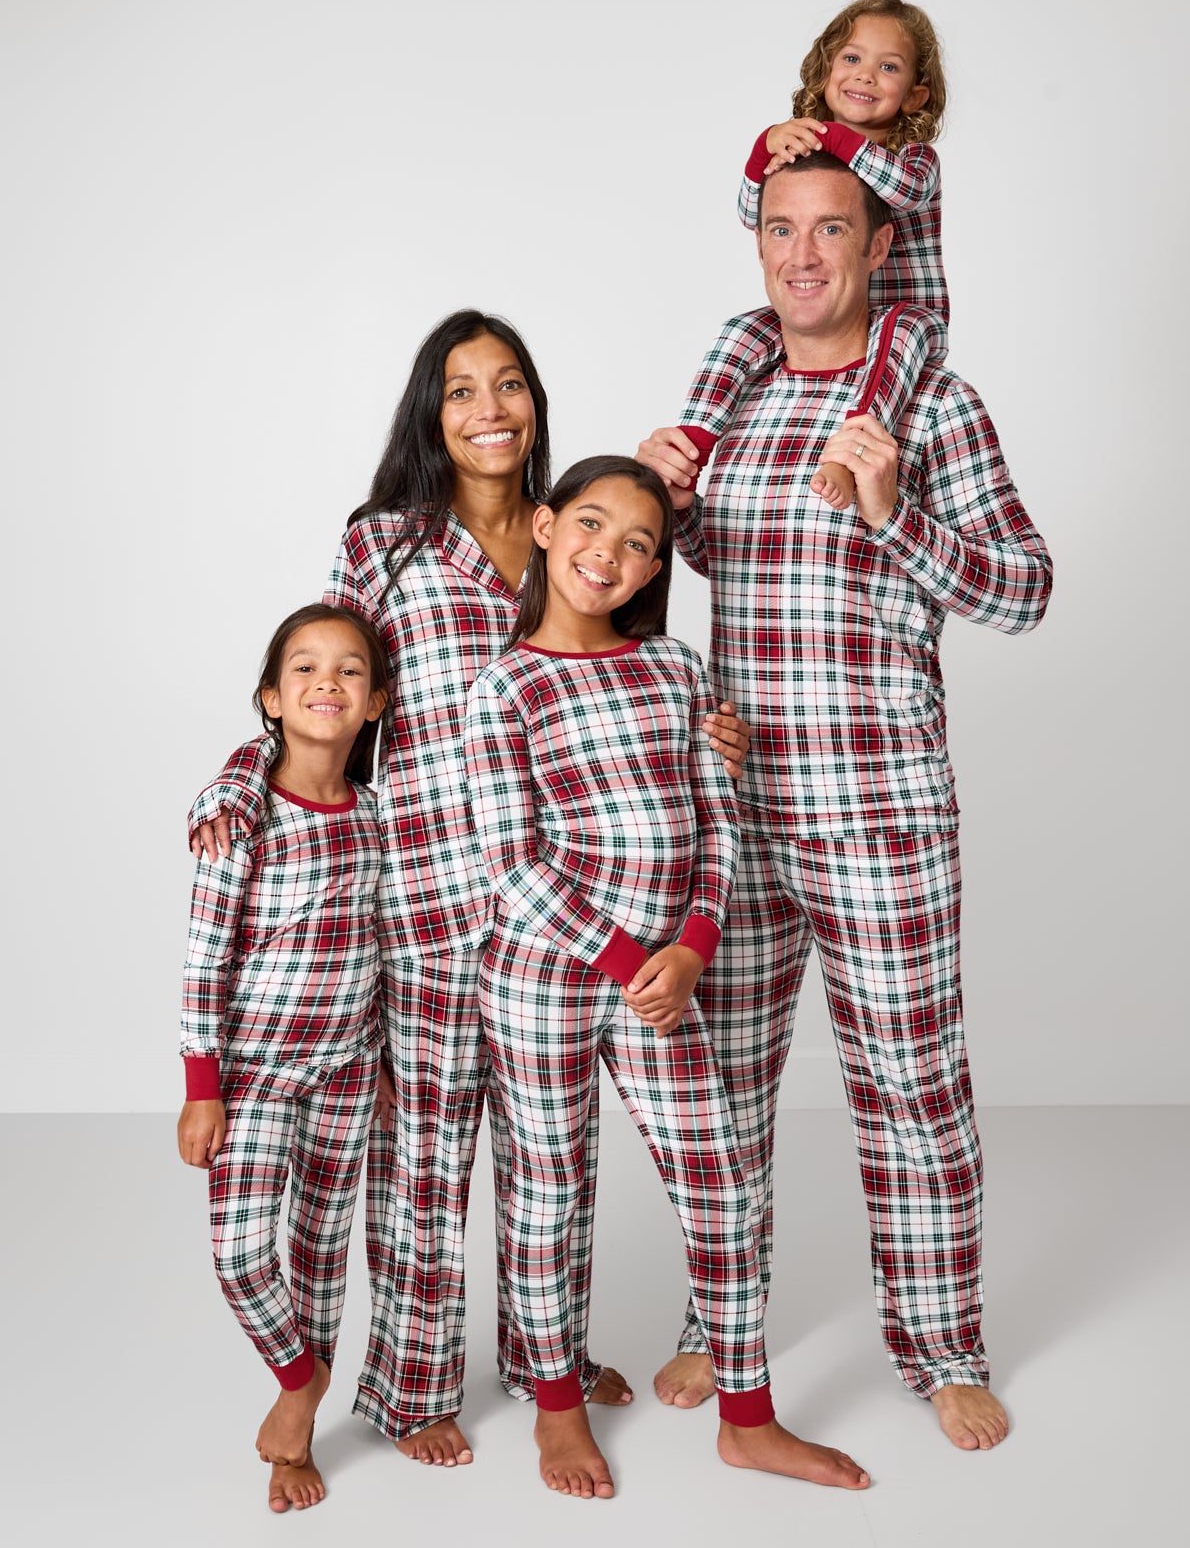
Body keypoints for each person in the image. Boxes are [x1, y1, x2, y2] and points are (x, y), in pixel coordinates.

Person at [188, 311, 750, 1465]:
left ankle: (542, 1354)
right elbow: (321, 684)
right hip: (431, 902)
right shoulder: (387, 545)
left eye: (508, 386)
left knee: (556, 1153)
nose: (488, 408)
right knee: (430, 1158)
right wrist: (240, 780)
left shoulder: (576, 531)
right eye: (459, 390)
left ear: (535, 405)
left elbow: (620, 673)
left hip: (570, 905)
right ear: (429, 413)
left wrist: (705, 730)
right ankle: (410, 1387)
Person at [637, 152, 1052, 1452]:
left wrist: (894, 513)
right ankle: (721, 1325)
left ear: (881, 248)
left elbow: (1025, 589)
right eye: (781, 228)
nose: (803, 254)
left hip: (878, 808)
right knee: (724, 1082)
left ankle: (942, 1346)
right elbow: (699, 565)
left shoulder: (930, 400)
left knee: (911, 1083)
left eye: (832, 230)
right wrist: (662, 495)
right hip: (739, 808)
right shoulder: (738, 402)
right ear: (756, 244)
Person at [463, 455, 870, 1498]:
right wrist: (622, 955)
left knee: (724, 1183)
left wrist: (688, 947)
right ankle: (555, 1409)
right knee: (547, 1191)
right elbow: (512, 862)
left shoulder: (678, 671)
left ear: (654, 569)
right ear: (547, 529)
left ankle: (748, 1415)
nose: (611, 552)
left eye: (639, 542)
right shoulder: (505, 684)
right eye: (592, 525)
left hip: (667, 977)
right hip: (545, 975)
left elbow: (718, 821)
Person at [178, 603, 391, 1513]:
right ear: (271, 697)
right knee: (240, 1256)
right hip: (257, 1072)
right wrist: (203, 1088)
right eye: (304, 669)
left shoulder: (377, 816)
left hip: (347, 1067)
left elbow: (380, 943)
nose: (327, 684)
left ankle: (295, 1432)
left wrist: (380, 1051)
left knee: (318, 1253)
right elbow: (204, 956)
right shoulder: (243, 816)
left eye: (349, 671)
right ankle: (299, 1379)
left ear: (376, 701)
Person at [679, 0, 949, 507]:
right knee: (742, 331)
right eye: (851, 59)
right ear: (824, 73)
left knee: (890, 350)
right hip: (828, 314)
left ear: (914, 96)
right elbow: (749, 210)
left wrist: (839, 140)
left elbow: (903, 190)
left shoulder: (915, 159)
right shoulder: (809, 148)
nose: (865, 75)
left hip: (906, 314)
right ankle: (694, 442)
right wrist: (766, 149)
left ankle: (850, 459)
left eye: (887, 66)